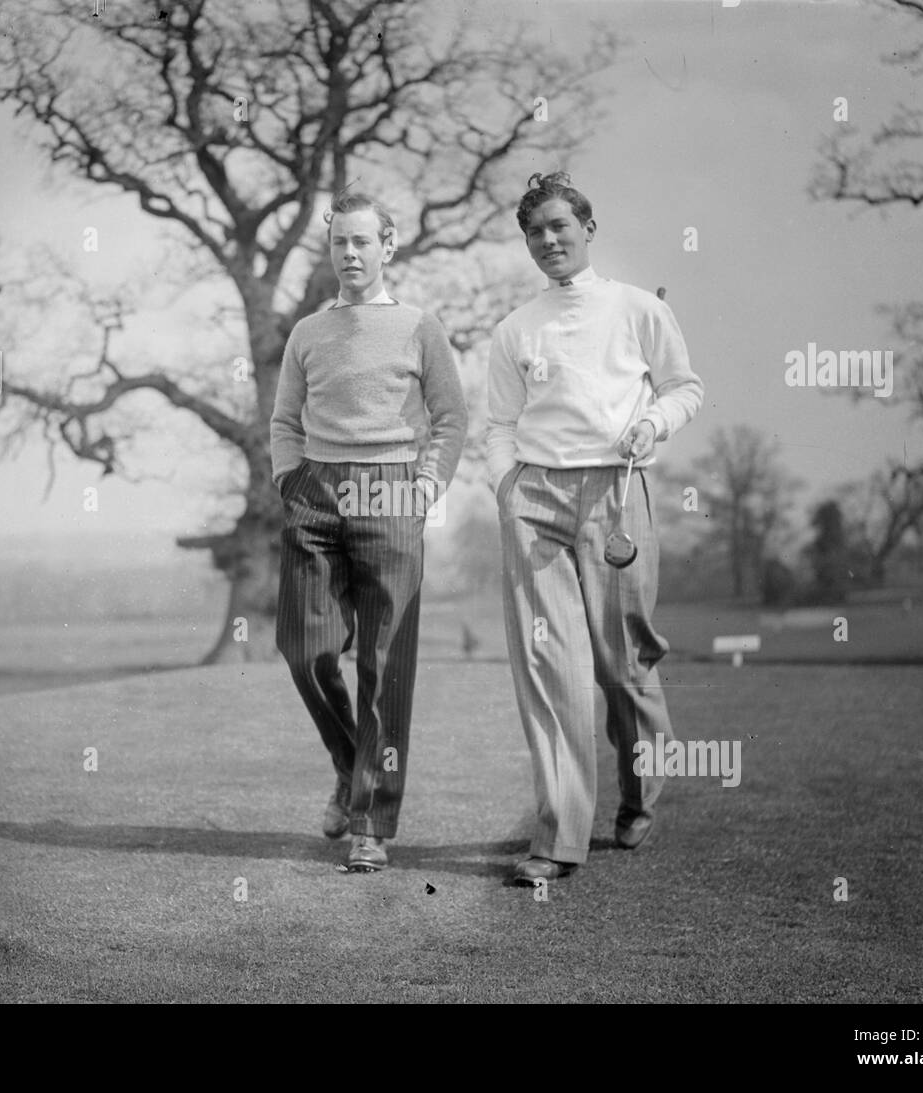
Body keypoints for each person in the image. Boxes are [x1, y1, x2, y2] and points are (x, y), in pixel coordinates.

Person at [486, 172, 704, 885]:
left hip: (616, 493)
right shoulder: (515, 329)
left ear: (587, 228)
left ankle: (640, 793)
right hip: (535, 501)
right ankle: (558, 839)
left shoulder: (639, 309)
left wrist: (654, 421)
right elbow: (499, 423)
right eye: (535, 232)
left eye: (559, 225)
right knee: (552, 670)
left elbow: (684, 388)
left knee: (624, 665)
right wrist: (506, 486)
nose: (548, 240)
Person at [271, 191, 467, 872]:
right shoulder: (306, 332)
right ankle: (348, 759)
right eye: (339, 242)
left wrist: (426, 486)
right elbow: (284, 420)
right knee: (304, 649)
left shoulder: (420, 327)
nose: (349, 254)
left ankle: (370, 824)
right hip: (315, 492)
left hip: (392, 490)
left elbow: (450, 418)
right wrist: (289, 478)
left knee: (385, 663)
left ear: (388, 246)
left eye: (362, 242)